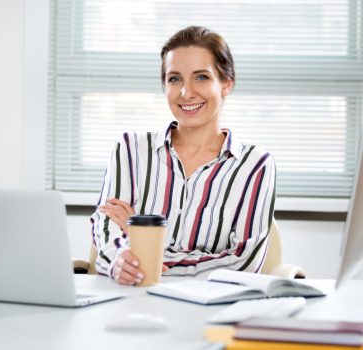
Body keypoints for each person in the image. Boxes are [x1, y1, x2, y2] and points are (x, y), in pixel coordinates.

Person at [90, 26, 276, 285]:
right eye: (174, 79)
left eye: (201, 77)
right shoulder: (131, 150)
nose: (186, 92)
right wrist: (120, 258)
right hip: (133, 295)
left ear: (225, 85)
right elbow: (106, 230)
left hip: (208, 304)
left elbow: (245, 261)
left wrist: (150, 251)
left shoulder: (255, 165)